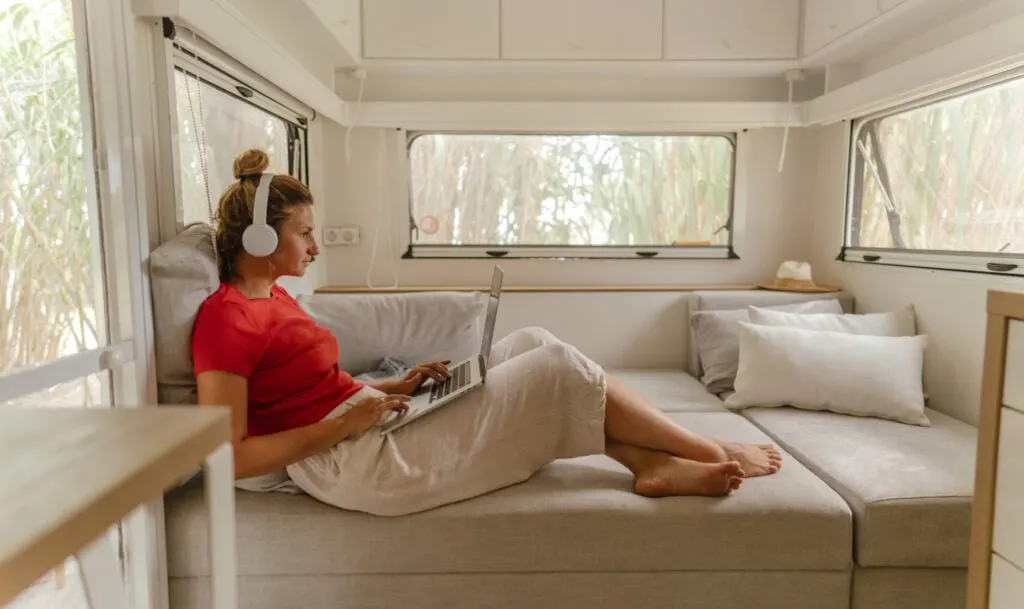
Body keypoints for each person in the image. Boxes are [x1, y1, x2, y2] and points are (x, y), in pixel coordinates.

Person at [191, 149, 782, 517]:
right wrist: (344, 422)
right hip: (347, 462)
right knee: (559, 369)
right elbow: (229, 458)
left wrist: (397, 386)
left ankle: (647, 464)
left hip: (363, 422)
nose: (316, 246)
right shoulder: (226, 319)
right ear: (261, 241)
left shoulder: (274, 297)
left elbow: (310, 385)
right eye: (305, 234)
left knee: (534, 341)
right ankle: (709, 450)